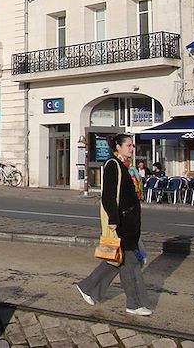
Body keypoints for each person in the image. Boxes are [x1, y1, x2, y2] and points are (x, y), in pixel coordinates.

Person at [77, 133, 152, 316]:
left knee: (116, 261)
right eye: (128, 145)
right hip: (121, 222)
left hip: (131, 222)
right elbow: (108, 196)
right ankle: (134, 304)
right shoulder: (113, 165)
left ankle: (87, 287)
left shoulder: (128, 167)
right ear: (118, 147)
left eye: (132, 145)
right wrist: (113, 220)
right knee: (131, 263)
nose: (132, 148)